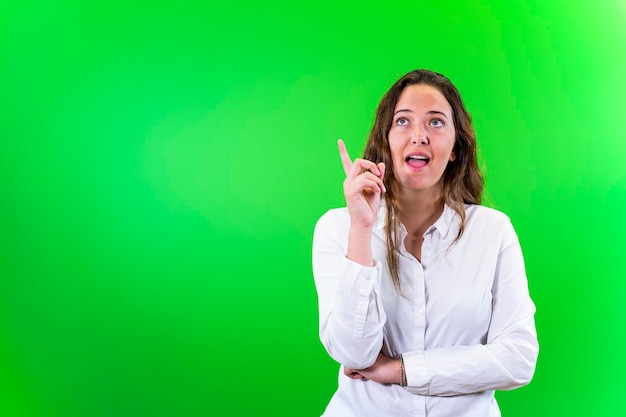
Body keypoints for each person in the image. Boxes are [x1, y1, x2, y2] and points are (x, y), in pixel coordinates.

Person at [312, 69, 538, 417]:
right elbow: (354, 355)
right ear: (385, 142)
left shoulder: (493, 231)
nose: (418, 135)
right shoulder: (337, 228)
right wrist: (361, 227)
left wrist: (402, 370)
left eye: (435, 122)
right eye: (403, 121)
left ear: (455, 150)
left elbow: (518, 358)